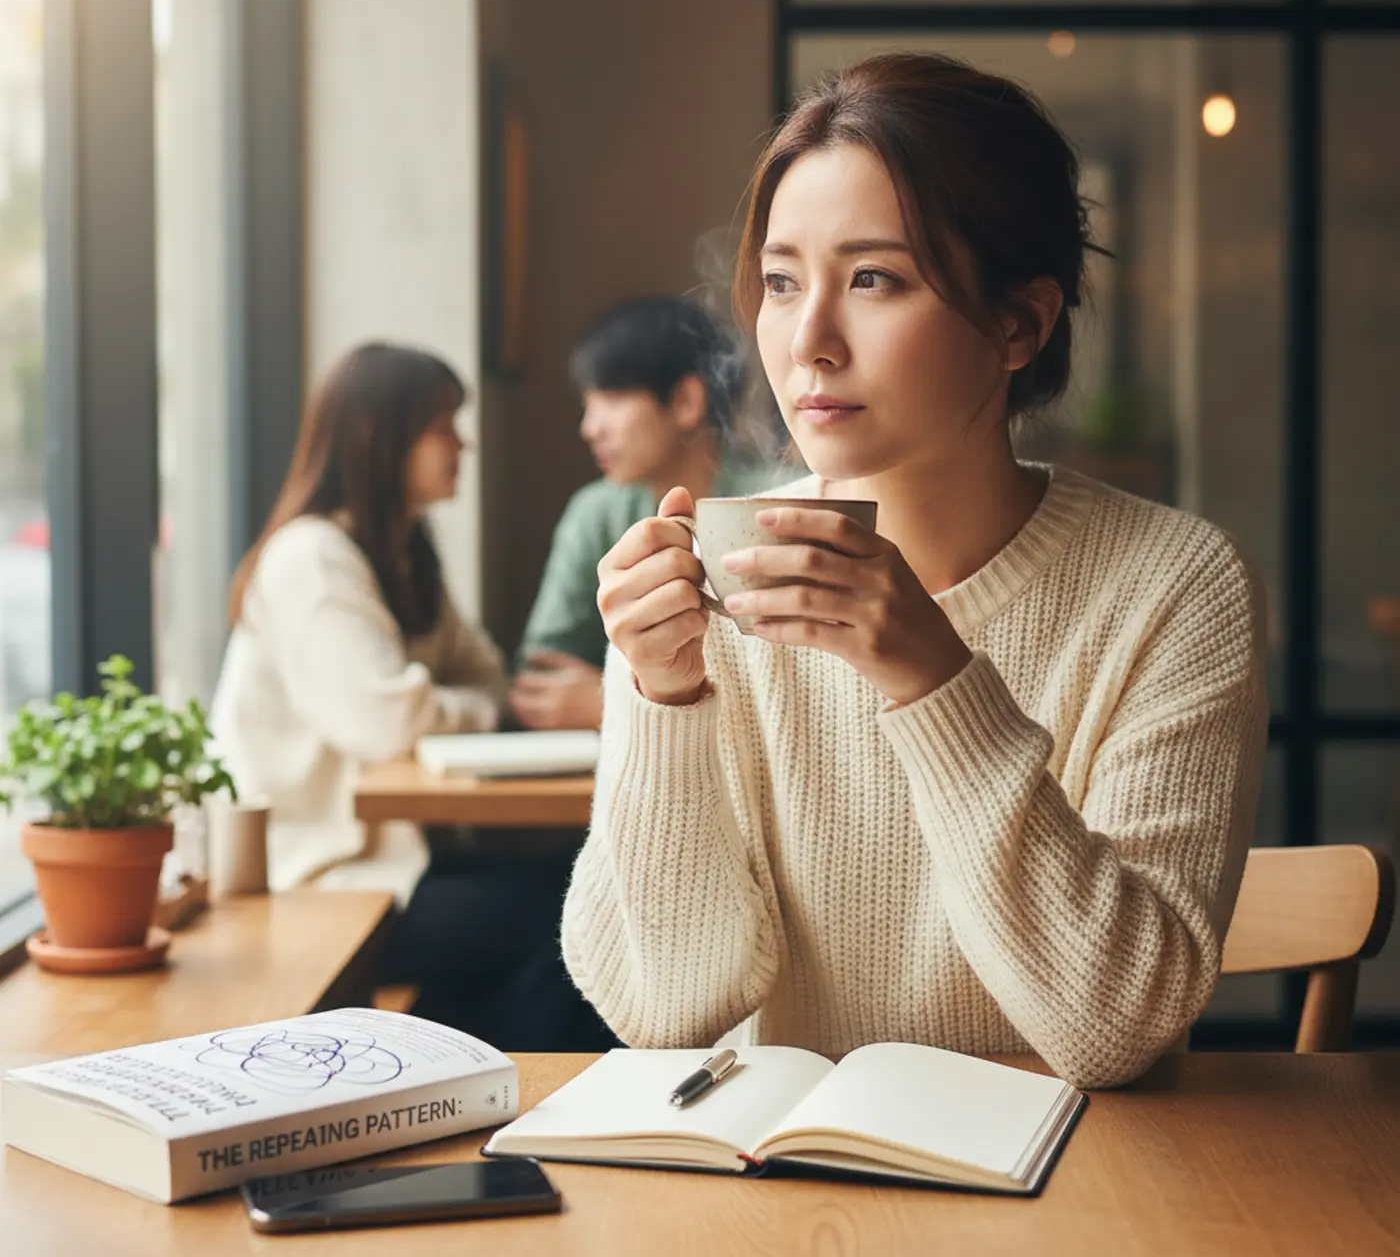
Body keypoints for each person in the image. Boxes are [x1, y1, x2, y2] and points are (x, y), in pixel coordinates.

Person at [561, 54, 1268, 1089]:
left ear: (1018, 322)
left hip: (1080, 1205)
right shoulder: (730, 572)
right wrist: (660, 695)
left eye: (873, 279)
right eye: (780, 282)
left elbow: (1114, 1025)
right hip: (780, 1202)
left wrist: (935, 679)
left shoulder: (1171, 586)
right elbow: (664, 1011)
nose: (809, 341)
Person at [212, 342, 613, 1049]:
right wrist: (467, 712)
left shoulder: (401, 549)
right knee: (579, 918)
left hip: (406, 860)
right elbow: (387, 719)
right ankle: (495, 1096)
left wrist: (451, 703)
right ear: (377, 435)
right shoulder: (312, 557)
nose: (463, 443)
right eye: (442, 425)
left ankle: (463, 1075)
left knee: (589, 887)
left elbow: (488, 673)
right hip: (324, 874)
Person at [509, 296, 765, 731]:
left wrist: (611, 701)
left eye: (611, 398)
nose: (589, 428)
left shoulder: (778, 501)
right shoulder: (597, 512)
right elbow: (541, 683)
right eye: (589, 404)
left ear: (685, 401)